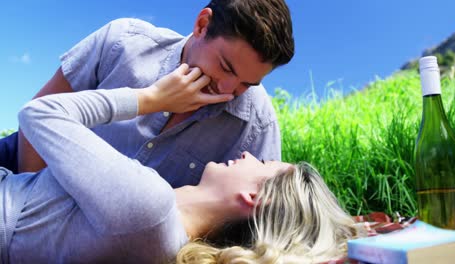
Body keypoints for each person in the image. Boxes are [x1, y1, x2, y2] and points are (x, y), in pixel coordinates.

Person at [1, 65, 359, 264]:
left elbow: (39, 113)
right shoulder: (166, 235)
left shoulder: (149, 206)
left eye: (264, 163)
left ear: (255, 196)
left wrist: (151, 98)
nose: (250, 155)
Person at [0, 0, 295, 189]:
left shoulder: (256, 122)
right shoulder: (124, 42)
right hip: (28, 164)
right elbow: (37, 116)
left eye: (247, 84)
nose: (229, 90)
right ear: (202, 25)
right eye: (225, 67)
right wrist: (28, 204)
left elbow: (264, 216)